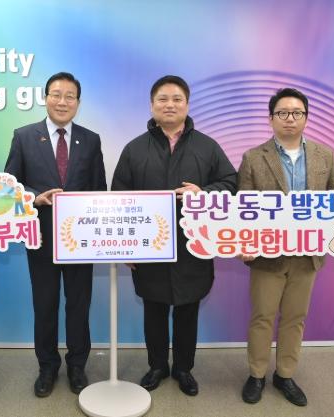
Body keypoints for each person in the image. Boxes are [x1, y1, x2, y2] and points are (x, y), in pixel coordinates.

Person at [111, 75, 237, 396]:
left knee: (187, 311)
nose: (170, 105)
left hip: (193, 246)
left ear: (187, 105)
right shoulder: (134, 149)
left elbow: (231, 183)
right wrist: (126, 249)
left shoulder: (207, 146)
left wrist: (203, 192)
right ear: (152, 105)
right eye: (163, 99)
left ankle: (183, 369)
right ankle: (157, 366)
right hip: (148, 247)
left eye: (177, 99)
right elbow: (118, 198)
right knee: (153, 309)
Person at [238, 88, 334, 406]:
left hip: (308, 255)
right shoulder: (253, 157)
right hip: (267, 254)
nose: (290, 118)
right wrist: (244, 242)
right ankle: (256, 374)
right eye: (282, 113)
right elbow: (243, 207)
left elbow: (333, 198)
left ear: (306, 118)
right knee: (262, 316)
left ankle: (285, 375)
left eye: (297, 113)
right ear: (271, 119)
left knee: (295, 317)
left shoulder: (325, 155)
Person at [5, 72, 107, 397]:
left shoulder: (91, 140)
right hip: (42, 238)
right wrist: (35, 197)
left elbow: (99, 189)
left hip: (81, 241)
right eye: (56, 94)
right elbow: (9, 185)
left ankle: (77, 365)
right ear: (45, 97)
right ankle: (47, 367)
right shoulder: (24, 136)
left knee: (78, 305)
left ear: (78, 102)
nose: (63, 102)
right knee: (45, 305)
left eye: (70, 96)